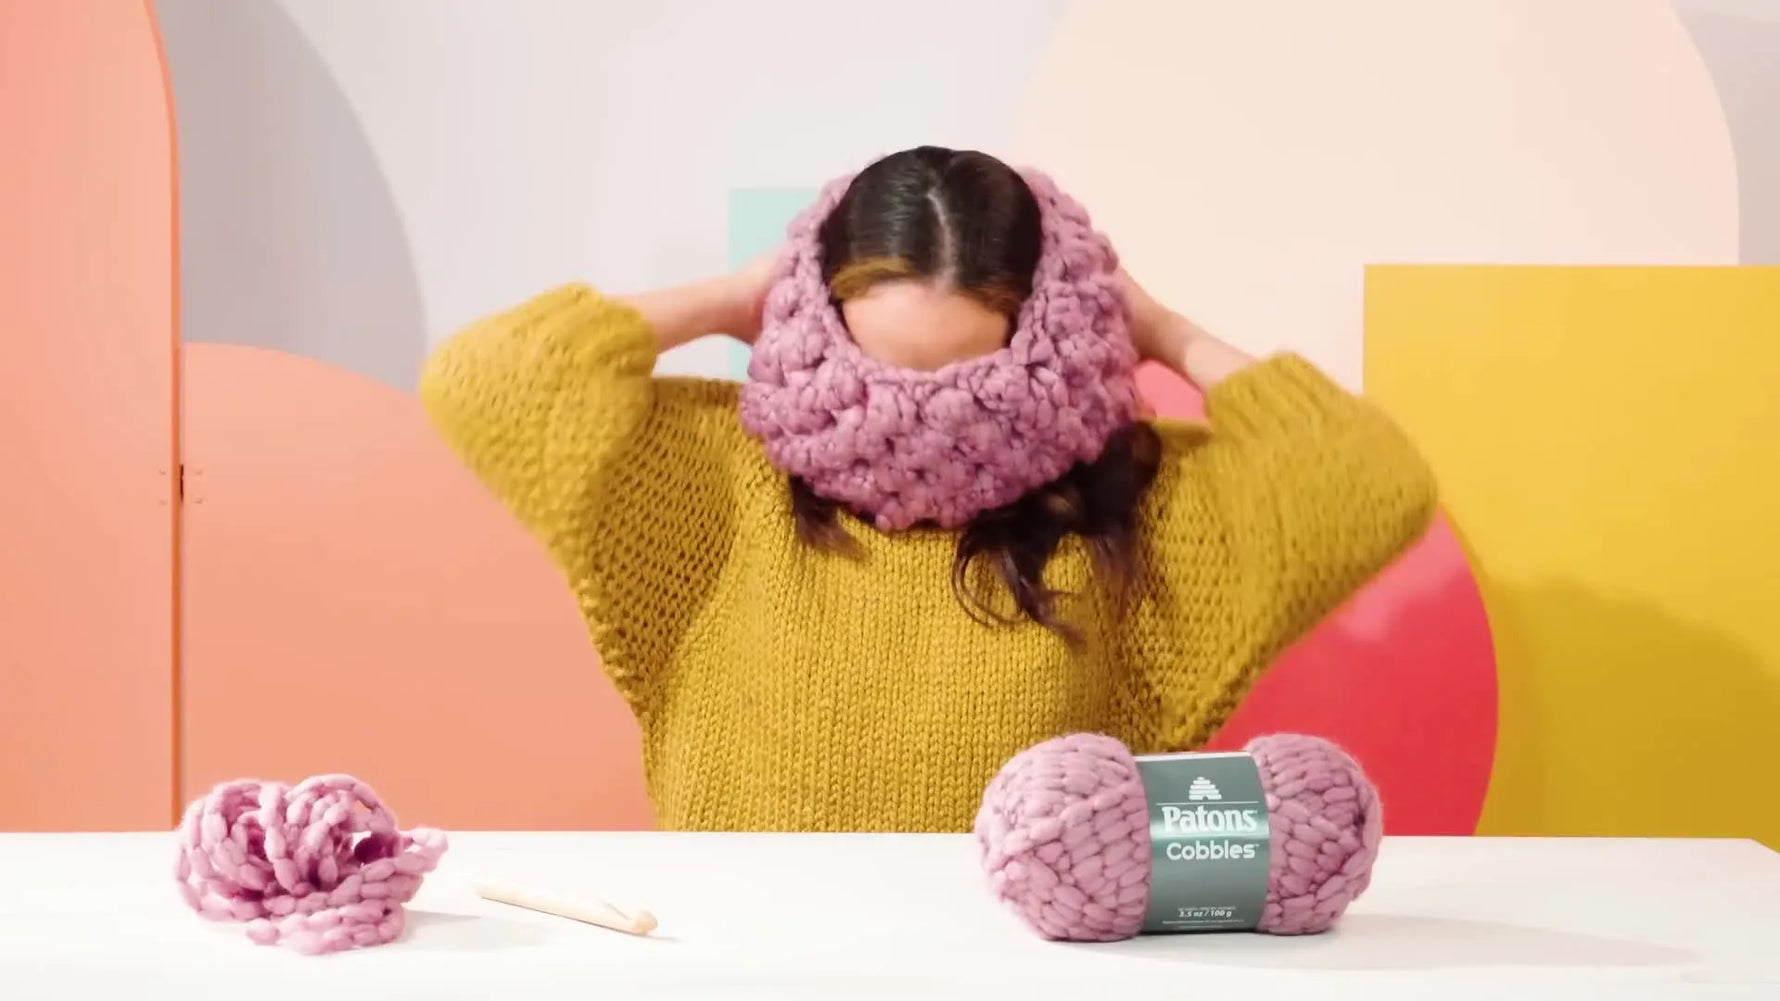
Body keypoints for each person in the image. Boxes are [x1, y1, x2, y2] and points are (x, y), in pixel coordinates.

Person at [420, 146, 1437, 833]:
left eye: (969, 383)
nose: (917, 420)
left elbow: (1364, 479)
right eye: (878, 371)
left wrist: (1161, 327)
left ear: (1049, 338)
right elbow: (489, 379)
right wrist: (733, 292)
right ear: (814, 320)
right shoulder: (709, 479)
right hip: (742, 959)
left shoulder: (1131, 509)